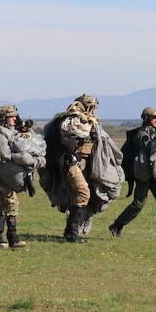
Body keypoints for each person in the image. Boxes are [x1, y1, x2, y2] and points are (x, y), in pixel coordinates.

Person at [109, 107, 156, 241]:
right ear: (146, 119)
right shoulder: (139, 134)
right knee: (139, 204)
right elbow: (151, 148)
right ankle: (117, 225)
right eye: (153, 118)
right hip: (144, 174)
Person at [0, 105, 46, 248]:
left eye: (15, 116)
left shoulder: (12, 131)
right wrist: (24, 158)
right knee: (11, 202)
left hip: (9, 172)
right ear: (4, 118)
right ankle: (11, 237)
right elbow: (5, 155)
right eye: (11, 117)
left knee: (5, 203)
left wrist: (26, 131)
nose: (14, 119)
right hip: (2, 173)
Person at [56, 94, 100, 242]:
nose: (93, 111)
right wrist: (89, 122)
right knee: (83, 193)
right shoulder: (73, 120)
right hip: (71, 163)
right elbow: (81, 132)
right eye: (92, 108)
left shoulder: (83, 120)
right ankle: (73, 232)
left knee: (76, 196)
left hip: (80, 163)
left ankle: (71, 234)